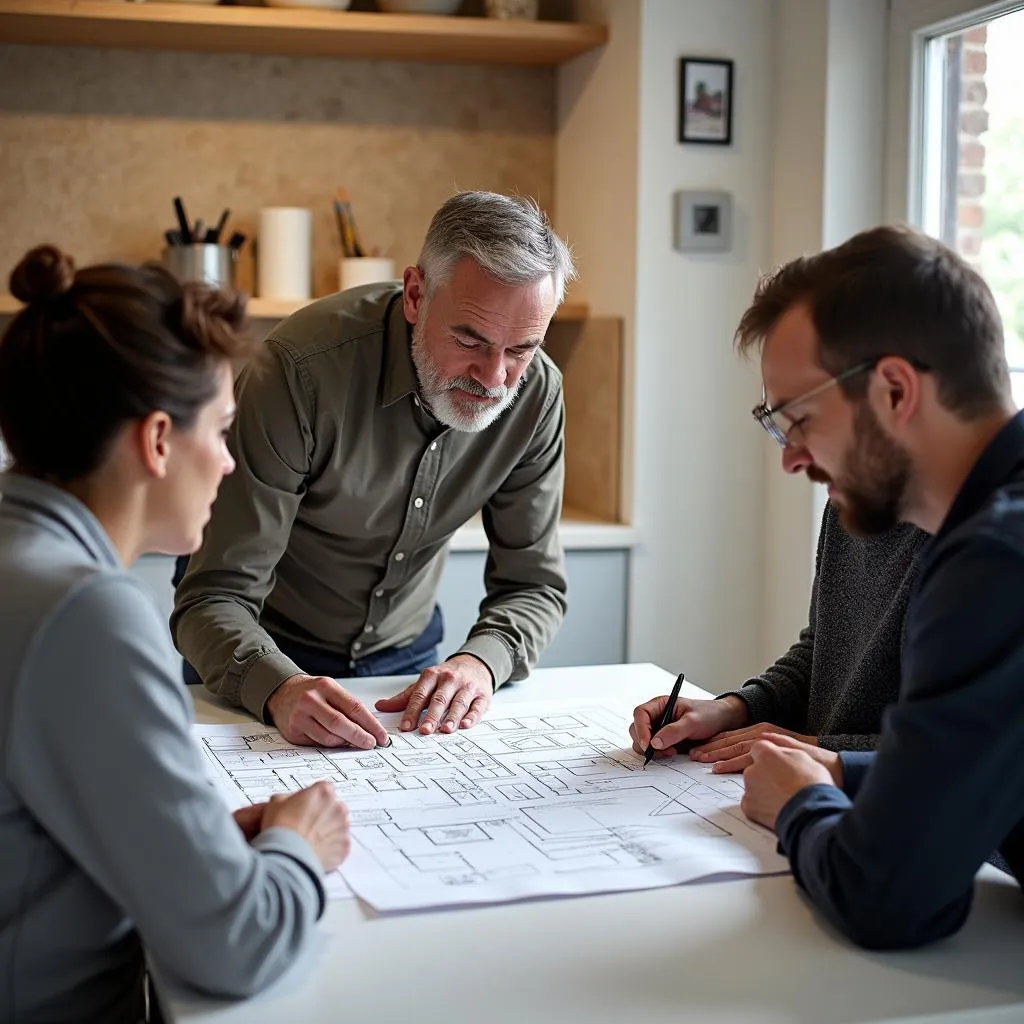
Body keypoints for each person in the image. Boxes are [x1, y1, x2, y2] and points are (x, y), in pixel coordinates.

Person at [0, 245, 350, 1022]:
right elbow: (238, 945)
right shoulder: (87, 612)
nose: (228, 463)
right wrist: (298, 845)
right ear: (158, 440)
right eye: (222, 431)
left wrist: (190, 845)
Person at [172, 191, 575, 750]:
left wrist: (480, 664)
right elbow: (210, 598)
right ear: (415, 294)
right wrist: (277, 686)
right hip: (260, 657)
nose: (494, 378)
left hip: (407, 661)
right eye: (469, 340)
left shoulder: (537, 394)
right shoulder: (299, 374)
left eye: (522, 348)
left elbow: (533, 586)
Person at [737, 225, 1023, 949]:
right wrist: (845, 769)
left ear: (894, 389)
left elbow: (886, 897)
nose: (791, 459)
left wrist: (803, 802)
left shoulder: (995, 562)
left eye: (799, 419)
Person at [630, 502, 927, 774]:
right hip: (811, 786)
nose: (792, 462)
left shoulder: (960, 541)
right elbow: (820, 650)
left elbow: (953, 752)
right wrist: (733, 710)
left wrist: (815, 749)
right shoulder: (846, 503)